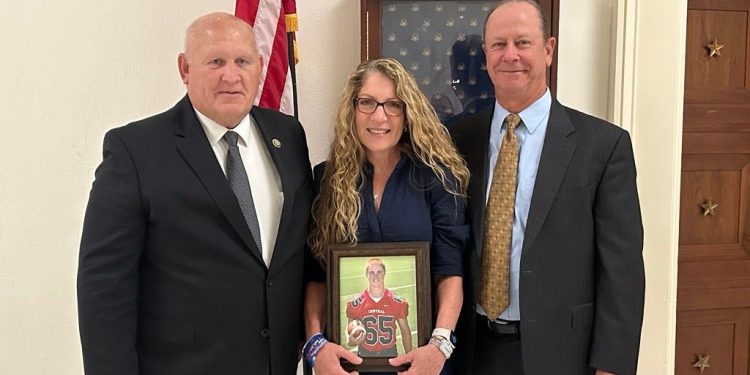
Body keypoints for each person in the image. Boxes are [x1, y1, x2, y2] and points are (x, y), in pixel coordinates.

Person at [77, 12, 313, 375]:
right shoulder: (136, 150)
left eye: (242, 62)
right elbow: (104, 287)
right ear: (185, 68)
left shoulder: (289, 137)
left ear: (260, 66)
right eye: (216, 61)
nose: (231, 76)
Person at [448, 1, 645, 374]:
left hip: (562, 354)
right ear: (486, 54)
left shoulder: (603, 146)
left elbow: (622, 271)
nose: (510, 56)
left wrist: (612, 366)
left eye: (523, 42)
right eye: (498, 44)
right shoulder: (459, 139)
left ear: (549, 49)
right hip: (473, 350)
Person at [303, 58, 470, 374]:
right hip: (343, 364)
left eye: (393, 104)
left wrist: (439, 346)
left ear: (407, 115)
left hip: (422, 363)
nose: (379, 116)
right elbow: (316, 274)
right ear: (352, 110)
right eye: (367, 102)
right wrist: (316, 345)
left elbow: (451, 270)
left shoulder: (437, 178)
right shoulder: (326, 179)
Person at [345, 258, 412, 357]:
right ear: (366, 275)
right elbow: (349, 328)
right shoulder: (355, 303)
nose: (375, 276)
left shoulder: (397, 302)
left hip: (389, 354)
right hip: (364, 354)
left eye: (379, 272)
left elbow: (405, 330)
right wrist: (349, 340)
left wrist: (409, 355)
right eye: (371, 272)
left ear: (384, 273)